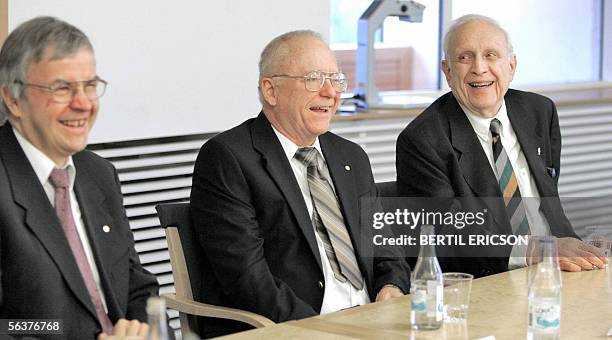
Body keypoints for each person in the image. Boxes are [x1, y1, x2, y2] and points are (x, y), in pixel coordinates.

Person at [190, 30, 411, 338]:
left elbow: (386, 248)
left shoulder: (351, 156)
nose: (330, 92)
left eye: (336, 80)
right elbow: (248, 279)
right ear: (271, 90)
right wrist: (322, 330)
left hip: (371, 322)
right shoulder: (228, 158)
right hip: (293, 327)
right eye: (313, 79)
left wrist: (391, 287)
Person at [396, 14, 607, 277]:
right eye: (464, 57)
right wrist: (538, 251)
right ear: (447, 72)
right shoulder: (422, 140)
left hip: (560, 270)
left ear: (512, 65)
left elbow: (549, 203)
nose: (479, 68)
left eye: (491, 55)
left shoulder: (540, 112)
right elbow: (450, 236)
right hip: (488, 279)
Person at [0, 17, 160, 339]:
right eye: (61, 88)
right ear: (14, 100)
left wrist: (139, 329)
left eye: (89, 86)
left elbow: (137, 284)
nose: (84, 103)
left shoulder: (98, 173)